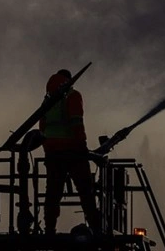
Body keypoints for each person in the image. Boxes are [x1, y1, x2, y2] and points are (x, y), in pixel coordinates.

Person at [39, 69, 101, 235]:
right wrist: (83, 148)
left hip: (53, 154)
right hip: (73, 152)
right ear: (69, 80)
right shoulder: (72, 96)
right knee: (85, 191)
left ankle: (49, 229)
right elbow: (76, 123)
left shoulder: (48, 100)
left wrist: (49, 148)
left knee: (52, 193)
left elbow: (42, 128)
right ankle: (96, 228)